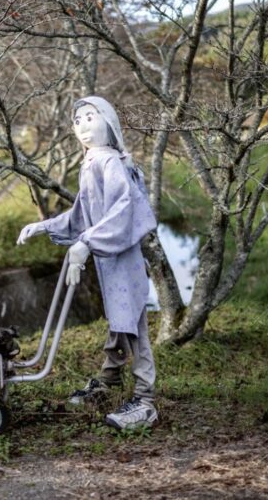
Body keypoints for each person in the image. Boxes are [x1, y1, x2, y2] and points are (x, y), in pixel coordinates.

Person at [16, 96, 159, 430]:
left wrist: (86, 244)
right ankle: (108, 380)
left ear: (108, 122)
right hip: (110, 261)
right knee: (117, 321)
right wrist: (44, 226)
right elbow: (82, 214)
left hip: (123, 259)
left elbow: (122, 212)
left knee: (134, 327)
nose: (82, 125)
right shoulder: (92, 162)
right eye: (77, 120)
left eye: (90, 117)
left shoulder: (110, 162)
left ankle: (146, 401)